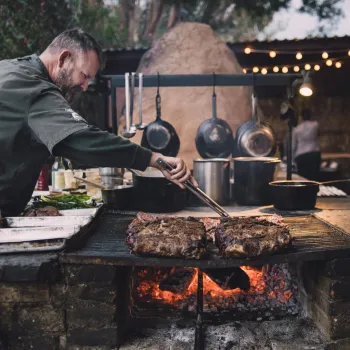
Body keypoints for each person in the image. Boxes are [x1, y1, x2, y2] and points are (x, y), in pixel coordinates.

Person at [0, 28, 197, 216]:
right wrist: (153, 159)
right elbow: (82, 141)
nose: (84, 87)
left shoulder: (8, 69)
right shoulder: (37, 91)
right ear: (63, 58)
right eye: (84, 76)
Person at [292, 108, 321, 181]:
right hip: (313, 153)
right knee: (314, 178)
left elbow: (293, 146)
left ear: (301, 117)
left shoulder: (297, 129)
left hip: (301, 155)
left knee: (303, 179)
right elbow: (318, 135)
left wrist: (293, 159)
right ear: (310, 115)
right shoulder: (315, 125)